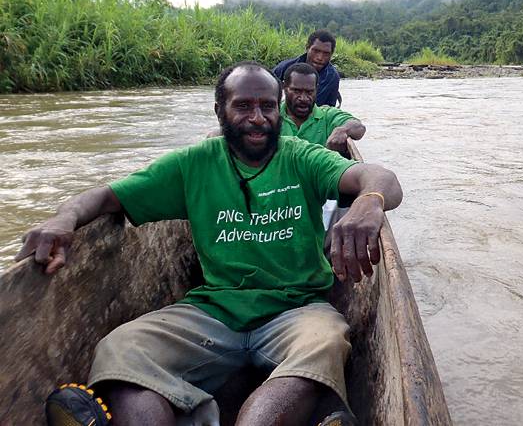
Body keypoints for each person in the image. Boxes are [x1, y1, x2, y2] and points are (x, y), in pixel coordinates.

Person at [17, 61, 403, 426]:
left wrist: (369, 202)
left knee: (326, 342)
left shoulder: (301, 157)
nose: (258, 118)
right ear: (220, 111)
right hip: (214, 309)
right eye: (243, 106)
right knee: (121, 348)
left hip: (297, 307)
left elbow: (380, 177)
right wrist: (63, 218)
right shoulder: (193, 164)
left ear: (279, 110)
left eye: (268, 106)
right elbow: (105, 197)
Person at [281, 62, 365, 154]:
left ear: (316, 89)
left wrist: (343, 130)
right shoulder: (271, 114)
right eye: (296, 91)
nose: (303, 98)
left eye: (309, 92)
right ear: (285, 87)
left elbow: (359, 127)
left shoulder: (327, 116)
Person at [273, 30, 341, 107]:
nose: (320, 57)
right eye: (316, 51)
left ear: (331, 54)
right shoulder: (285, 67)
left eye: (326, 54)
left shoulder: (333, 78)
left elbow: (330, 110)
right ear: (307, 48)